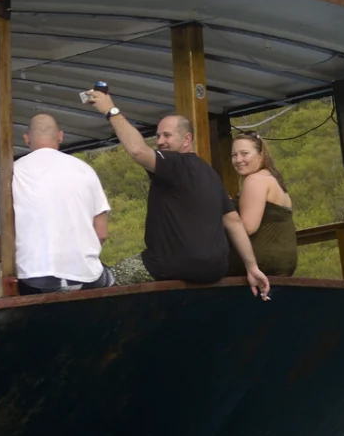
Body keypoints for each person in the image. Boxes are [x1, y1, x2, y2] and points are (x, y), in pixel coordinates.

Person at [85, 89, 271, 298]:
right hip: (214, 270)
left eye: (167, 135)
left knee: (105, 281)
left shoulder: (174, 163)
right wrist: (252, 267)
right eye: (158, 136)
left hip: (170, 264)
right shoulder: (210, 173)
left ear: (187, 139)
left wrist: (111, 110)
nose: (160, 141)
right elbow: (233, 221)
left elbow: (138, 151)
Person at [11, 113, 112, 292]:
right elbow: (102, 232)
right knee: (110, 278)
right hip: (85, 277)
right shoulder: (85, 170)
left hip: (33, 276)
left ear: (26, 139)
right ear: (60, 136)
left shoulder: (13, 172)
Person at [228, 131, 298, 278]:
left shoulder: (255, 180)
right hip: (284, 261)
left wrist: (225, 211)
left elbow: (247, 228)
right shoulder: (272, 179)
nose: (238, 159)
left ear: (261, 155)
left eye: (244, 153)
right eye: (234, 155)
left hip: (263, 263)